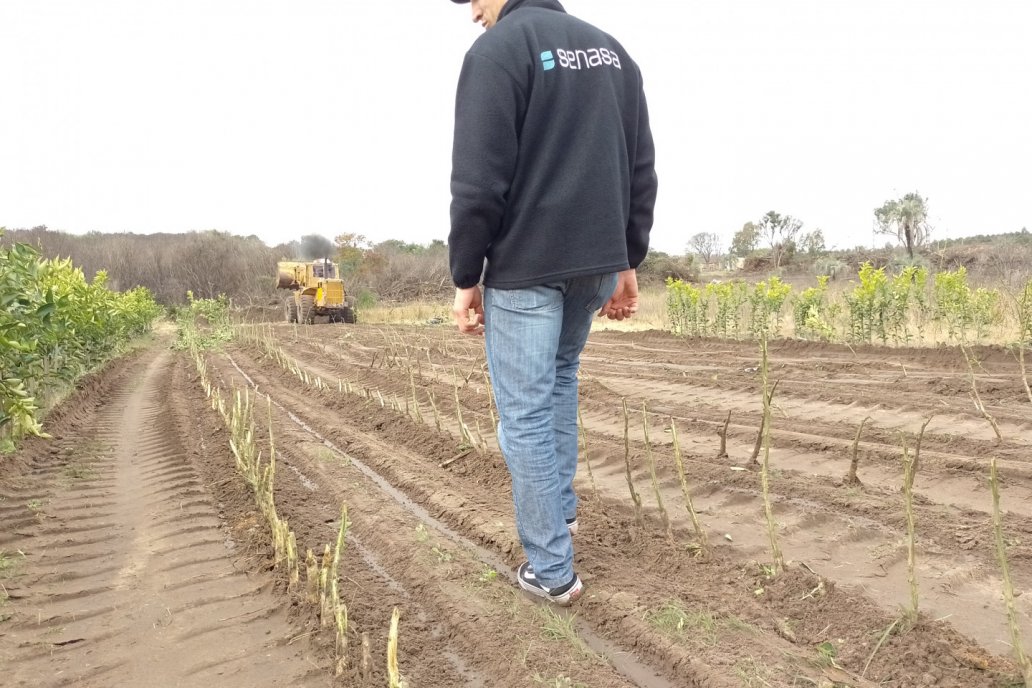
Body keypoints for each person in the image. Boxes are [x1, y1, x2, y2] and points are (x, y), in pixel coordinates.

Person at [447, 0, 657, 606]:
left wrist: (467, 274)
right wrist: (627, 259)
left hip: (528, 268)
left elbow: (477, 182)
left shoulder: (497, 53)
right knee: (559, 380)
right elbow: (640, 170)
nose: (473, 14)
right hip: (593, 265)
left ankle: (552, 570)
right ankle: (560, 515)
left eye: (474, 1)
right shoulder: (612, 52)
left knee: (527, 414)